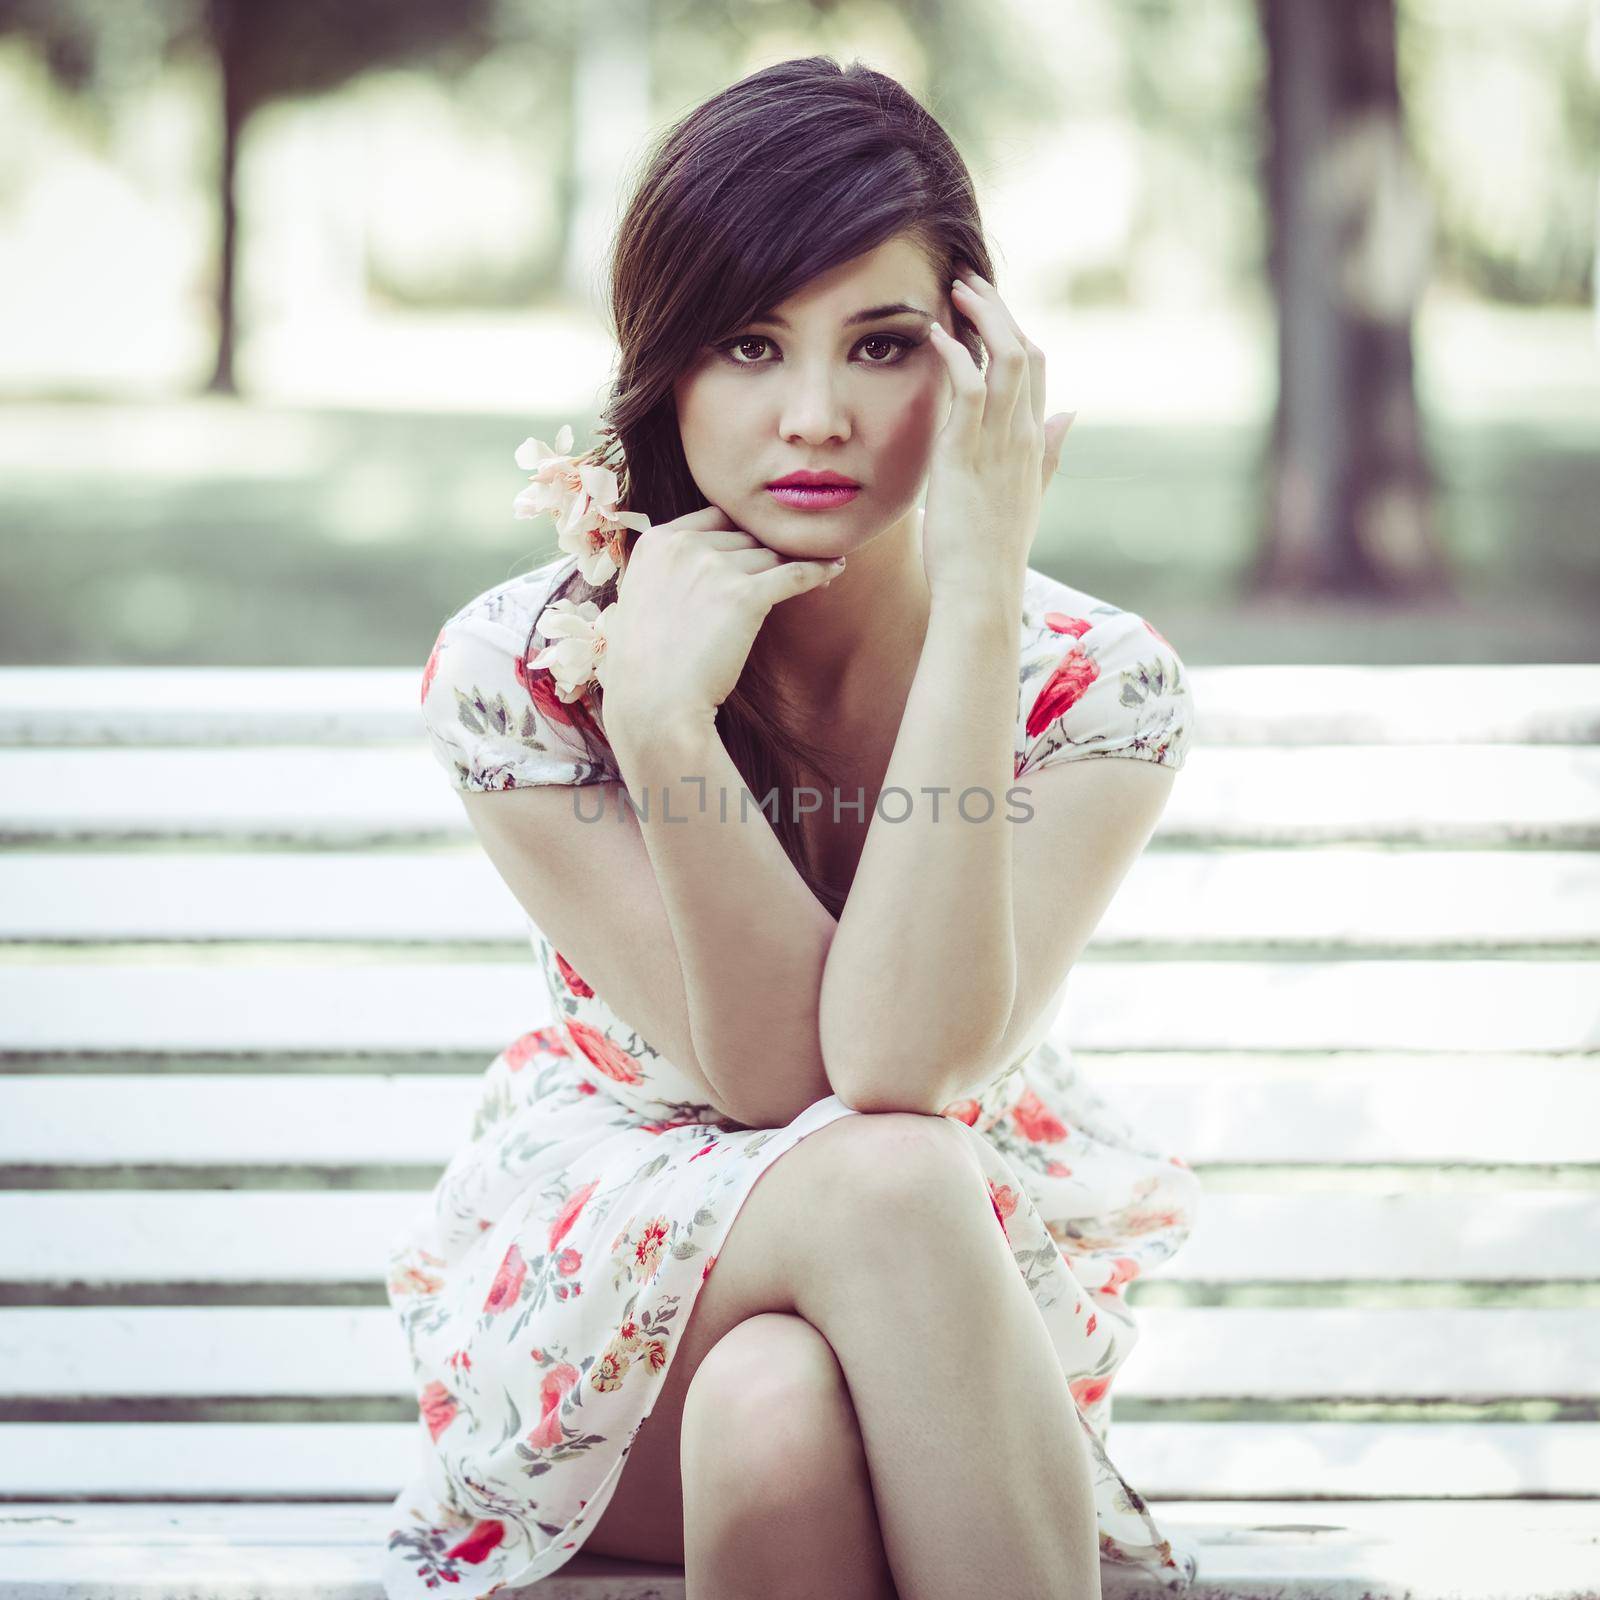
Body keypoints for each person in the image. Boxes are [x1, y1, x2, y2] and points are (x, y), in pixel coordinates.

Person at [382, 53, 1202, 1600]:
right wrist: (660, 723)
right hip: (614, 1336)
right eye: (749, 344)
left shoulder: (1096, 691)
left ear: (976, 368)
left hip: (925, 1318)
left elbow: (899, 1067)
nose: (812, 417)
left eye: (880, 345)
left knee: (785, 1410)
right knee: (887, 1186)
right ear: (666, 366)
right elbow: (772, 1080)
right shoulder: (521, 672)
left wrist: (974, 608)